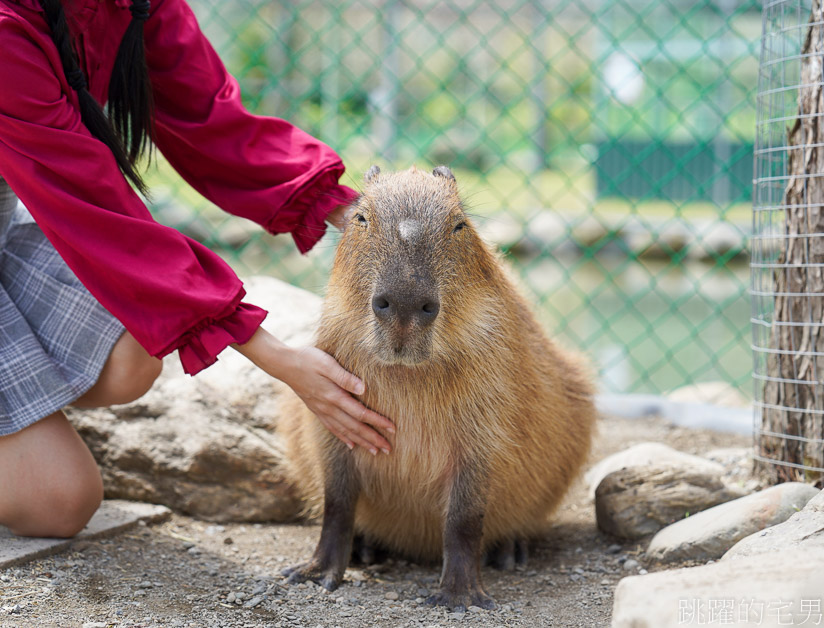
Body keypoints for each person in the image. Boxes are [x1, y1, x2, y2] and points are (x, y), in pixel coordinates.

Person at [0, 0, 394, 538]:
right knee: (59, 502)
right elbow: (101, 214)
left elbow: (208, 117)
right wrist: (278, 358)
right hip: (59, 203)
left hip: (11, 219)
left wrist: (347, 210)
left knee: (134, 355)